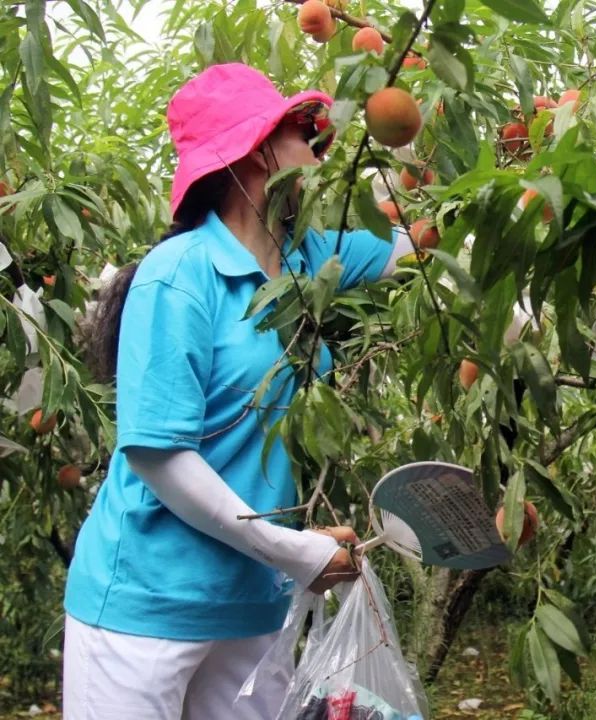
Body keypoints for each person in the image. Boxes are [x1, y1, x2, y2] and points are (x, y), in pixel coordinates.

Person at [63, 63, 419, 719]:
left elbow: (422, 252)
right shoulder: (179, 277)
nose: (318, 153)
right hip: (147, 604)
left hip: (255, 604)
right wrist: (293, 549)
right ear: (259, 151)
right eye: (304, 136)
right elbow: (159, 456)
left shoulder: (309, 262)